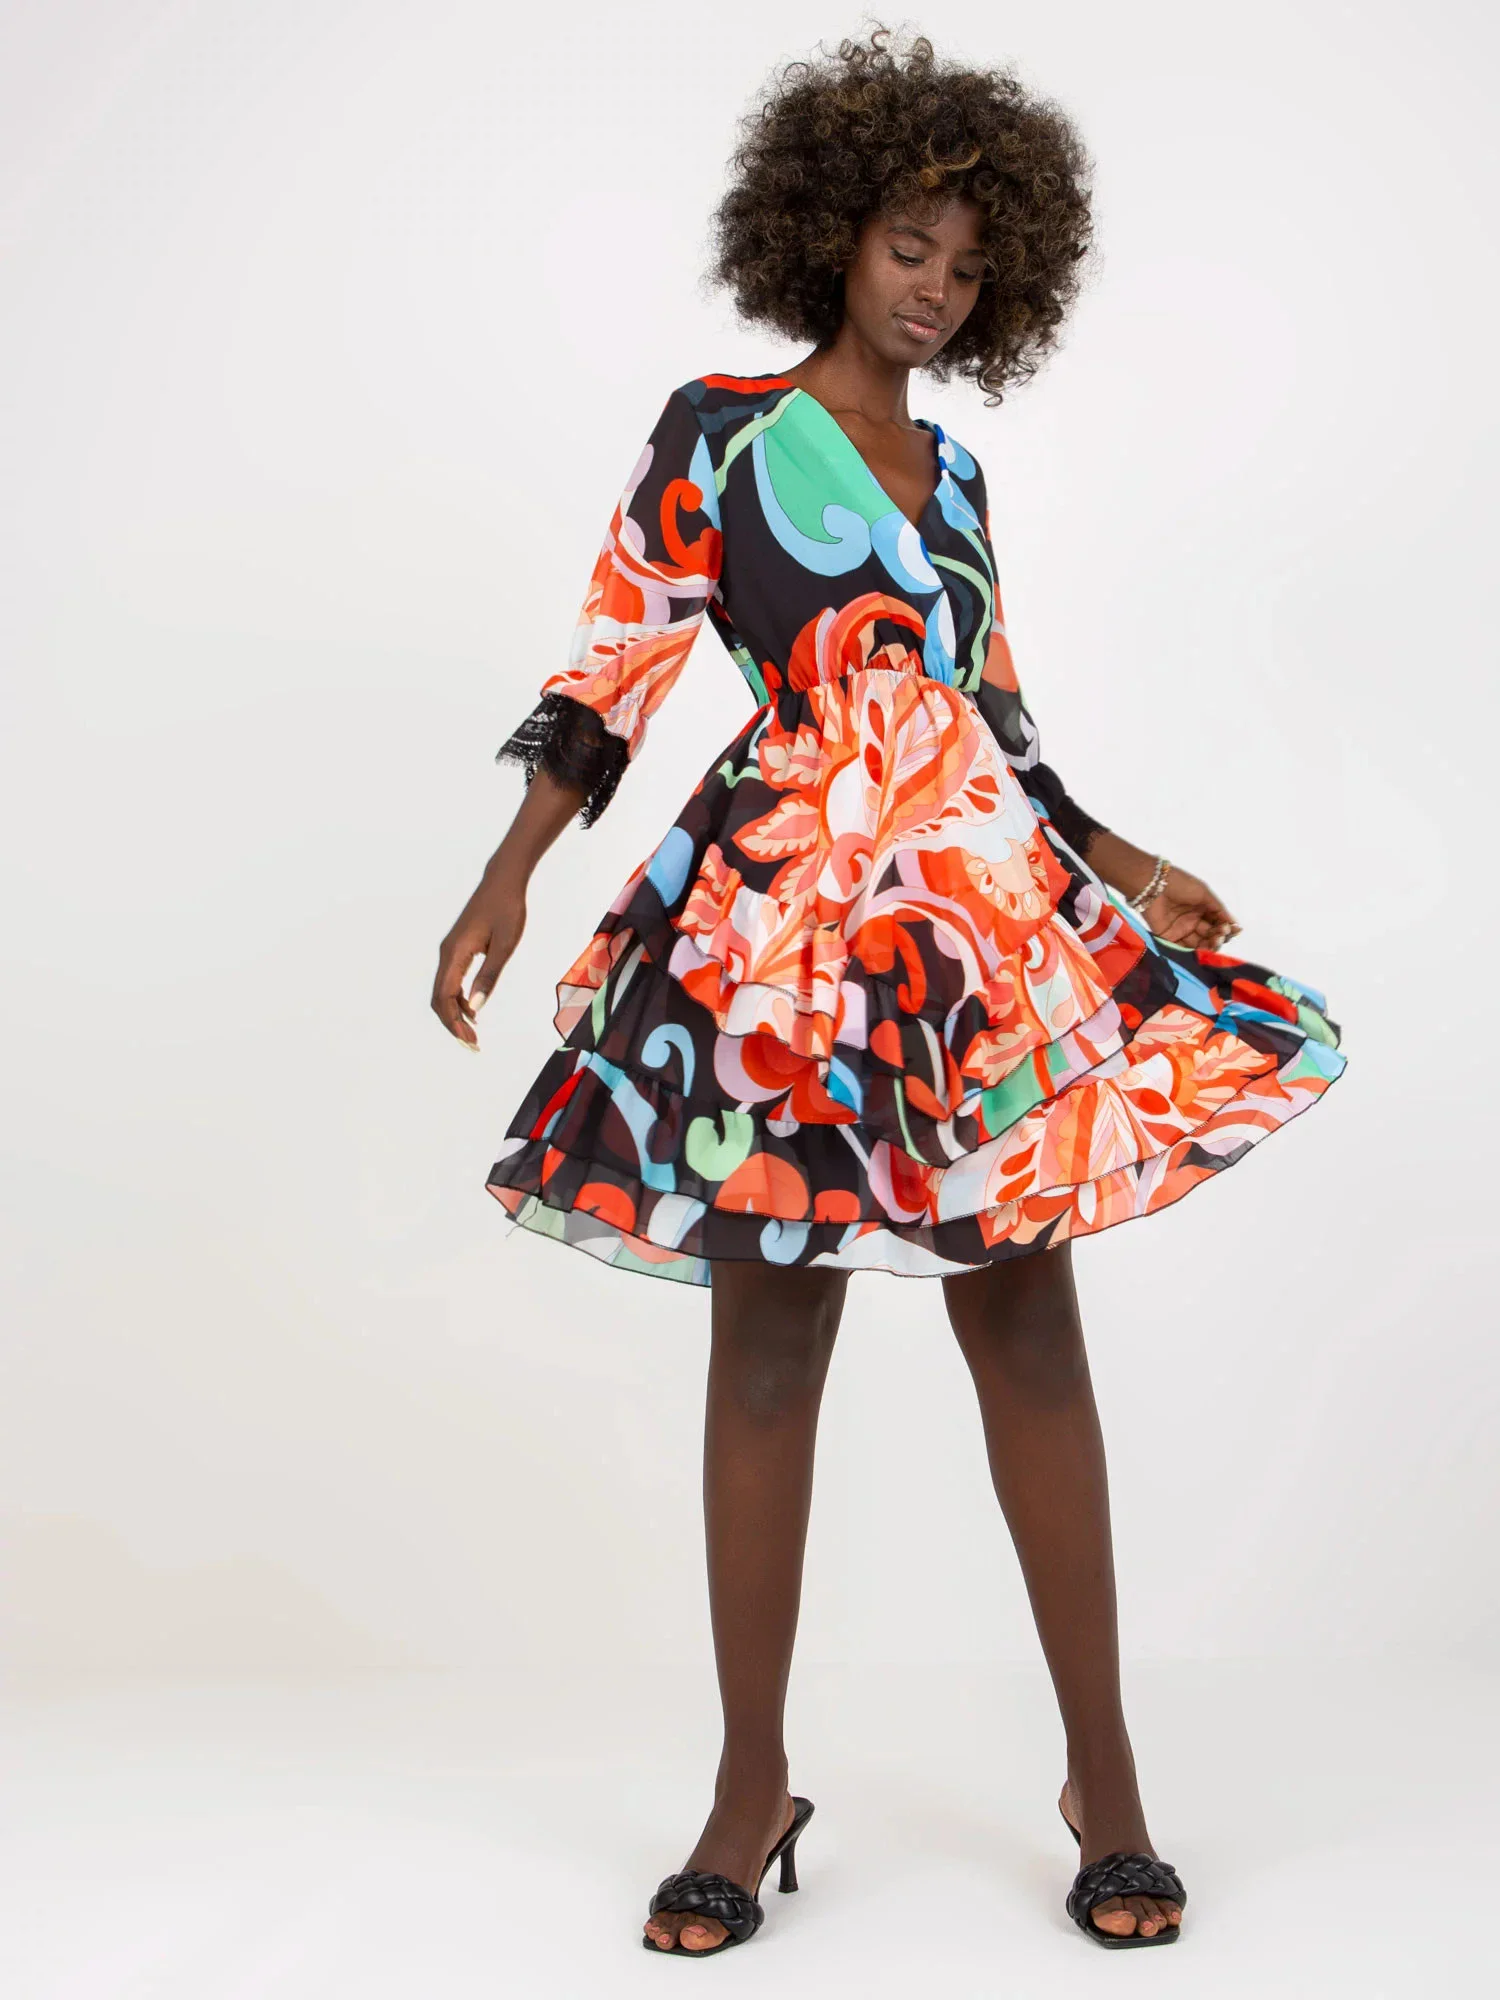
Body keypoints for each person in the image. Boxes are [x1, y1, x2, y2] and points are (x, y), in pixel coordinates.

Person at [431, 27, 1344, 1958]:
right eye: (909, 246)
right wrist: (510, 871)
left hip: (971, 931)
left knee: (1029, 1325)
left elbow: (993, 724)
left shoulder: (961, 474)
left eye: (969, 267)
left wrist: (1123, 863)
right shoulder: (716, 432)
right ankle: (748, 1788)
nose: (934, 287)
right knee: (768, 1342)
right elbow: (612, 665)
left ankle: (1108, 1784)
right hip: (778, 934)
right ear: (831, 232)